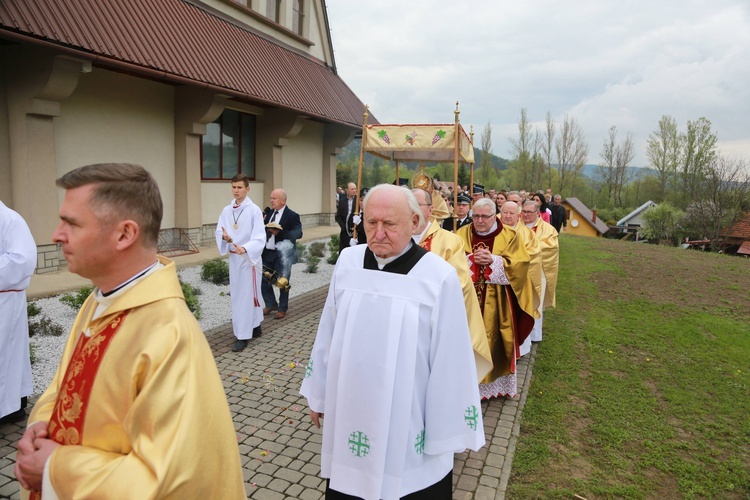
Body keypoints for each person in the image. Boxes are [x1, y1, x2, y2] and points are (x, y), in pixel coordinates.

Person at [15, 163, 244, 499]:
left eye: (71, 223)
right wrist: (42, 422)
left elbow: (170, 480)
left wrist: (56, 470)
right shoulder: (100, 301)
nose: (56, 234)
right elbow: (65, 384)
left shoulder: (168, 334)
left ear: (124, 234)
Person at [300, 184, 484, 500]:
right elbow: (327, 332)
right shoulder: (348, 262)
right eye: (371, 223)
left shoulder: (437, 276)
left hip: (409, 415)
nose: (378, 233)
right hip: (351, 410)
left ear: (414, 222)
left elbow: (451, 358)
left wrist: (446, 430)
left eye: (390, 224)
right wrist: (318, 394)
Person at [455, 199, 540, 400]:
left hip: (499, 302)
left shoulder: (510, 236)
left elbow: (521, 264)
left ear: (494, 216)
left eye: (484, 216)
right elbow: (451, 260)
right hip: (467, 301)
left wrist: (495, 261)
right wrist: (470, 262)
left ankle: (492, 385)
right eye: (476, 216)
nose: (479, 220)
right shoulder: (461, 234)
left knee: (495, 339)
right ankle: (465, 384)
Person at [412, 188, 492, 381]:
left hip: (434, 320)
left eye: (417, 206)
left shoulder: (450, 241)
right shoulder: (396, 239)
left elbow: (459, 284)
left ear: (430, 210)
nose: (411, 211)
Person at [216, 173, 265, 352]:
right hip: (234, 259)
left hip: (248, 259)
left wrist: (245, 248)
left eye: (239, 187)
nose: (236, 191)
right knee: (241, 295)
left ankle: (242, 336)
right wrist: (224, 236)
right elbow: (219, 230)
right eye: (233, 187)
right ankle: (255, 326)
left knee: (245, 297)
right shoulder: (226, 210)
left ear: (247, 189)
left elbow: (260, 236)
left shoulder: (254, 210)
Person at [0, 200, 35, 425]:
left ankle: (9, 407)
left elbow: (23, 260)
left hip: (5, 300)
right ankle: (12, 406)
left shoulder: (10, 219)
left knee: (7, 355)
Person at [519, 200, 559, 354]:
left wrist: (528, 248)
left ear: (537, 213)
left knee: (536, 298)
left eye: (529, 212)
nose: (526, 215)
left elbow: (550, 248)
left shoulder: (548, 230)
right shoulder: (517, 226)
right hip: (520, 270)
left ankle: (534, 334)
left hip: (538, 270)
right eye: (524, 211)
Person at [262, 188, 303, 320]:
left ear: (283, 201)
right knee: (263, 280)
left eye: (274, 198)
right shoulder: (269, 214)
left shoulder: (292, 215)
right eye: (271, 198)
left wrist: (280, 233)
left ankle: (282, 308)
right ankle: (271, 304)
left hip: (283, 254)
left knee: (283, 282)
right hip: (268, 252)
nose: (271, 200)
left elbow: (298, 233)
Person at [336, 182, 363, 253]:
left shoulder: (358, 201)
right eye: (352, 189)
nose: (354, 191)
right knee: (344, 252)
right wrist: (343, 227)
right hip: (345, 231)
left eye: (355, 189)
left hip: (355, 230)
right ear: (347, 190)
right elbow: (338, 216)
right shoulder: (342, 201)